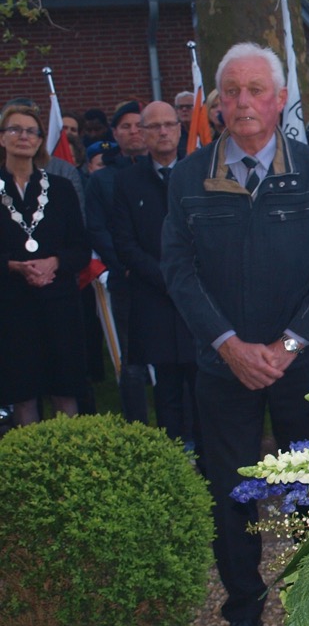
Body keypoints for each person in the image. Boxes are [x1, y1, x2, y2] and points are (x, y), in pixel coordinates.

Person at [161, 42, 309, 626]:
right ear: (218, 103)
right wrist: (230, 346)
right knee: (231, 491)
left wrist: (287, 344)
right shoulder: (189, 177)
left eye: (256, 91)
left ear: (278, 100)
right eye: (232, 92)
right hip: (224, 369)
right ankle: (243, 606)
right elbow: (179, 270)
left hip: (307, 363)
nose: (243, 103)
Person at [111, 101, 198, 447]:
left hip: (196, 301)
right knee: (167, 390)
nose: (163, 131)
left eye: (169, 124)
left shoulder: (199, 174)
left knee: (203, 387)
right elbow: (125, 244)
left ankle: (210, 466)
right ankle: (174, 460)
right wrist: (167, 278)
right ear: (142, 134)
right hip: (155, 300)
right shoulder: (127, 182)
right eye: (154, 126)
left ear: (180, 129)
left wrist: (187, 279)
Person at [0, 103, 89, 425]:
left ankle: (75, 465)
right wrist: (13, 267)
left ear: (40, 140)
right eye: (15, 129)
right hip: (13, 308)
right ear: (2, 138)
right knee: (24, 395)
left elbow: (81, 248)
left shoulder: (61, 188)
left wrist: (55, 262)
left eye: (31, 131)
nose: (23, 136)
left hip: (59, 304)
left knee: (65, 392)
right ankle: (32, 468)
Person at [86, 99, 151, 424]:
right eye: (126, 126)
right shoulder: (103, 179)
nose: (134, 131)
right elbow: (98, 228)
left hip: (165, 278)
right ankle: (138, 426)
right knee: (133, 359)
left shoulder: (168, 169)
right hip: (128, 278)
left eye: (140, 124)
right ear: (115, 133)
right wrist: (126, 263)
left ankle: (186, 431)